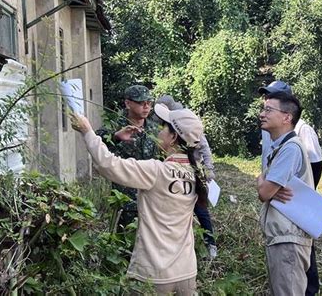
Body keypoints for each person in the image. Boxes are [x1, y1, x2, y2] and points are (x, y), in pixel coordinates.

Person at [71, 104, 207, 295]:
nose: (158, 132)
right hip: (186, 272)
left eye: (163, 128)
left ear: (174, 137)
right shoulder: (196, 173)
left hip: (154, 273)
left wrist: (87, 131)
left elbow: (109, 164)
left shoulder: (157, 171)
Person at [259, 80, 322, 295]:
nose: (262, 113)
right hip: (282, 236)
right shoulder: (279, 143)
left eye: (269, 110)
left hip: (289, 236)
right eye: (263, 108)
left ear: (287, 117)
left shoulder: (291, 147)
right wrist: (266, 183)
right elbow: (263, 180)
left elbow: (263, 191)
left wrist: (268, 187)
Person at [155, 95, 218, 259]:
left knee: (200, 209)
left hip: (192, 168)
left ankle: (210, 244)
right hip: (173, 167)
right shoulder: (165, 128)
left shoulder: (186, 124)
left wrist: (209, 169)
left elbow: (205, 147)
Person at [96, 85, 159, 230]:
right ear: (128, 103)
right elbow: (95, 142)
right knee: (123, 240)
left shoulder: (154, 130)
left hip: (150, 197)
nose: (146, 107)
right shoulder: (114, 125)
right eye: (141, 103)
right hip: (125, 198)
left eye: (149, 103)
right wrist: (116, 137)